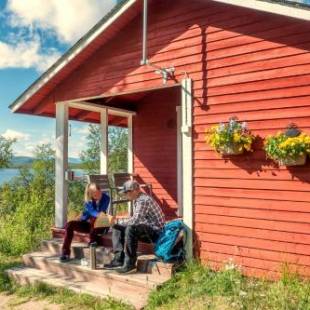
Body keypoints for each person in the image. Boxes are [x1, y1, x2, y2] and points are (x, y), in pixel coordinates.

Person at [104, 180, 165, 273]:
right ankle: (119, 259)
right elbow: (137, 219)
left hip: (156, 233)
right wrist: (117, 223)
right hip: (147, 228)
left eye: (126, 192)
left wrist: (117, 221)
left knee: (131, 228)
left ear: (134, 190)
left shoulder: (143, 200)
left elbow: (136, 220)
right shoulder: (138, 199)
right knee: (117, 227)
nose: (125, 195)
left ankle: (130, 264)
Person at [60, 182, 110, 261]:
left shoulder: (106, 198)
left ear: (100, 190)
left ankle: (93, 241)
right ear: (91, 194)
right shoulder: (88, 201)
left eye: (98, 193)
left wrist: (87, 213)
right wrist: (81, 217)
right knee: (70, 224)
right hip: (90, 226)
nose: (97, 195)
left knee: (95, 217)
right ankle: (65, 252)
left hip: (101, 225)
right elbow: (88, 214)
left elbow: (99, 213)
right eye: (94, 194)